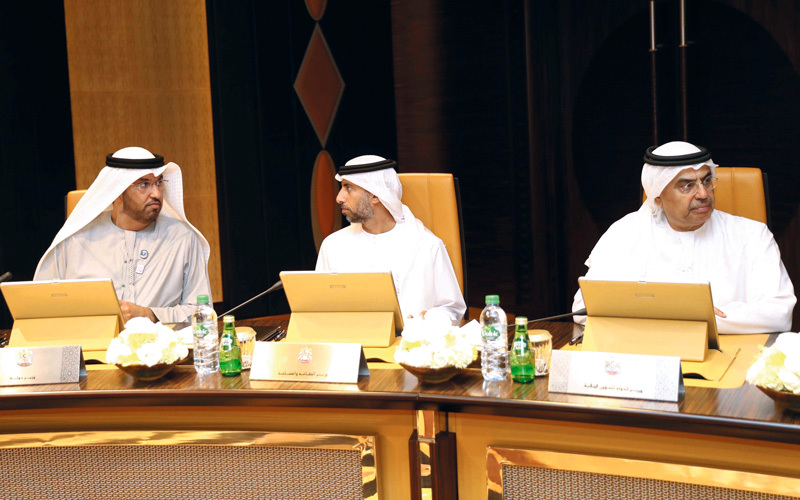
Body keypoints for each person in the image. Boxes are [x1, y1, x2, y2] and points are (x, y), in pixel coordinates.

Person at [572, 141, 795, 333]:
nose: (703, 194)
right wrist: (683, 314)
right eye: (687, 186)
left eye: (707, 181)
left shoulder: (751, 234)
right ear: (658, 197)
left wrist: (697, 318)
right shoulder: (625, 233)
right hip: (649, 356)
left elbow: (779, 314)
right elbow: (584, 308)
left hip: (732, 356)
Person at [34, 147, 211, 323]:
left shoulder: (182, 238)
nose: (156, 194)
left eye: (159, 183)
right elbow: (42, 308)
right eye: (144, 184)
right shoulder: (75, 239)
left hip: (161, 340)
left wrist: (150, 315)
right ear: (117, 191)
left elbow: (202, 313)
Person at [315, 155, 467, 323]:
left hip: (411, 339)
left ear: (375, 195)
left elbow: (452, 310)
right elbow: (320, 308)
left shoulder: (426, 245)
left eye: (348, 188)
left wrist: (428, 321)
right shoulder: (333, 246)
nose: (339, 198)